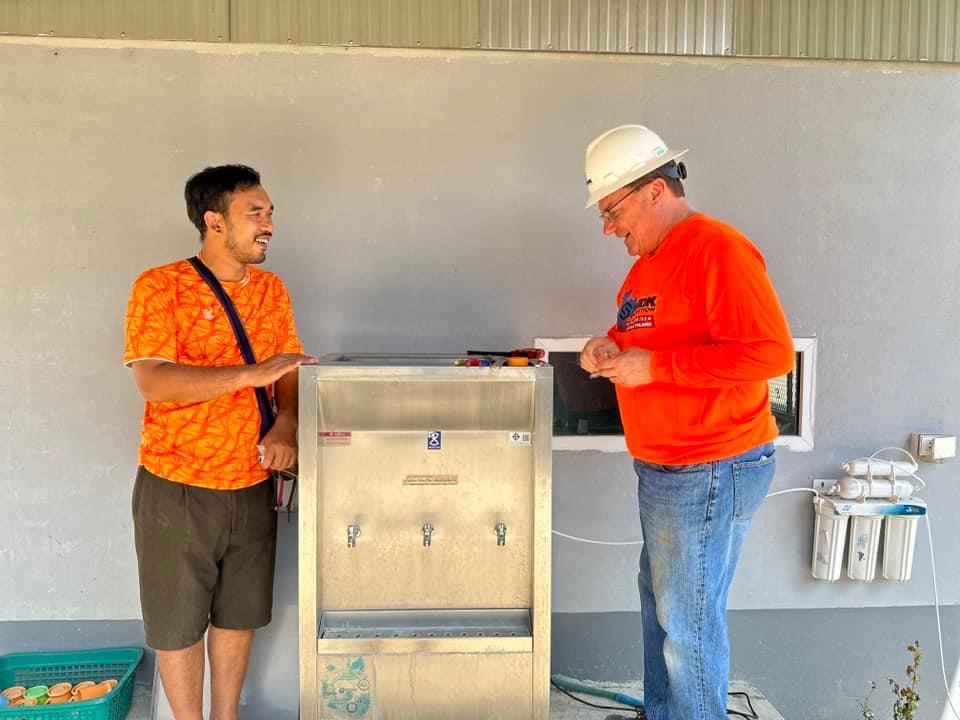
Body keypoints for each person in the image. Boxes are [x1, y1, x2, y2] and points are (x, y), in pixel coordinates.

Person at [578, 126, 794, 720]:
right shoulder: (647, 265)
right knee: (665, 609)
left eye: (612, 210)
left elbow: (770, 353)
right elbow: (643, 334)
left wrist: (655, 368)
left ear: (654, 190)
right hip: (669, 470)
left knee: (688, 623)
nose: (608, 228)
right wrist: (607, 346)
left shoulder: (717, 249)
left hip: (709, 466)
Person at [123, 164, 316, 720]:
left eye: (270, 213)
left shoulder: (272, 291)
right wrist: (248, 374)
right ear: (214, 222)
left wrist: (285, 425)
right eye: (254, 213)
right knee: (178, 622)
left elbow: (288, 369)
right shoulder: (159, 286)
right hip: (178, 485)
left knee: (239, 615)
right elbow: (154, 381)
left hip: (253, 482)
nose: (268, 224)